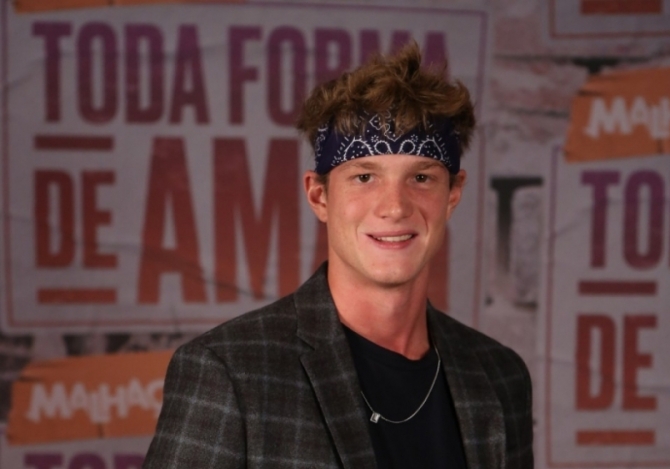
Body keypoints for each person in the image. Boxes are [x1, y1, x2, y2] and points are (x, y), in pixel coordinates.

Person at [143, 42, 533, 469]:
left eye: (421, 177)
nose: (395, 207)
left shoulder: (499, 375)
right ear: (319, 195)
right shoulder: (229, 371)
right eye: (364, 177)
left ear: (453, 194)